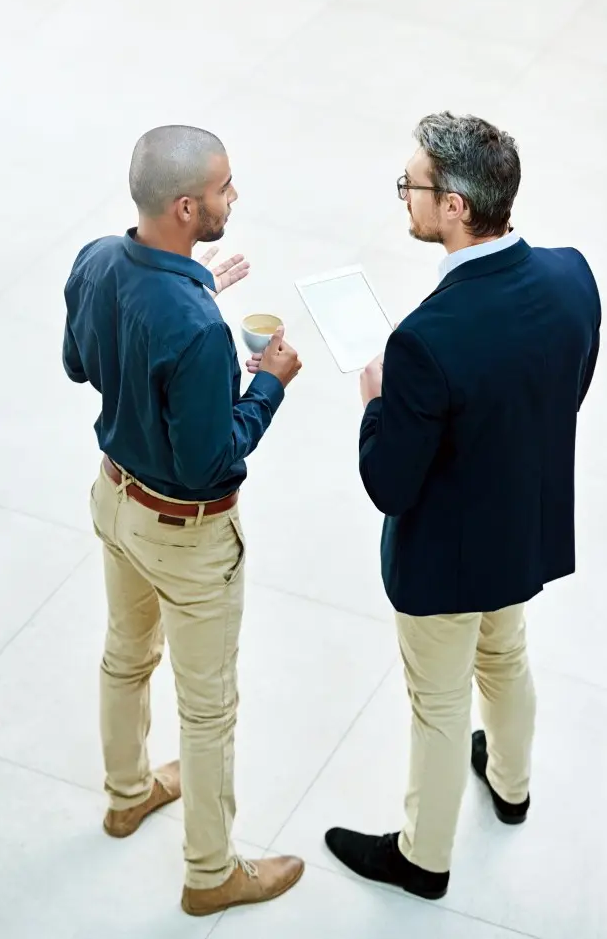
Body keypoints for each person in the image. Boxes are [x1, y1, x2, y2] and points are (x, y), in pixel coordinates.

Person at [323, 112, 601, 899]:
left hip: (445, 558)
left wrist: (376, 400)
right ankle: (511, 787)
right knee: (506, 657)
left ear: (454, 207)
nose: (403, 197)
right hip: (521, 533)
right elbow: (565, 393)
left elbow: (389, 484)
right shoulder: (573, 276)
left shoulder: (424, 340)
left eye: (411, 185)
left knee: (440, 704)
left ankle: (423, 857)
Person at [62, 125, 304, 916]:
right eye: (228, 188)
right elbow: (213, 459)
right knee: (207, 709)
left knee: (125, 654)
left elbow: (80, 361)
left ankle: (127, 792)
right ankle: (211, 873)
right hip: (187, 534)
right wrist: (266, 382)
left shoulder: (98, 258)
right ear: (188, 205)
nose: (236, 198)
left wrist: (194, 290)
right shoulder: (199, 329)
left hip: (115, 499)